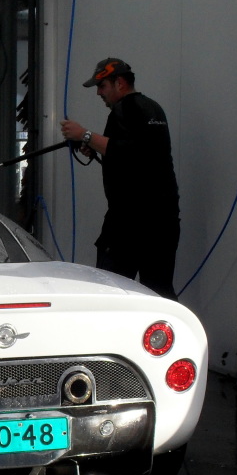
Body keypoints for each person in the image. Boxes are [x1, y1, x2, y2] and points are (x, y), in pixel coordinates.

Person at [60, 57, 181, 299]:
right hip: (163, 220)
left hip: (131, 220)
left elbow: (129, 152)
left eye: (102, 86)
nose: (98, 93)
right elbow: (140, 156)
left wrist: (83, 134)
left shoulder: (125, 109)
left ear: (120, 83)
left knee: (108, 289)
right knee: (158, 290)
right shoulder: (153, 108)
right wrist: (95, 145)